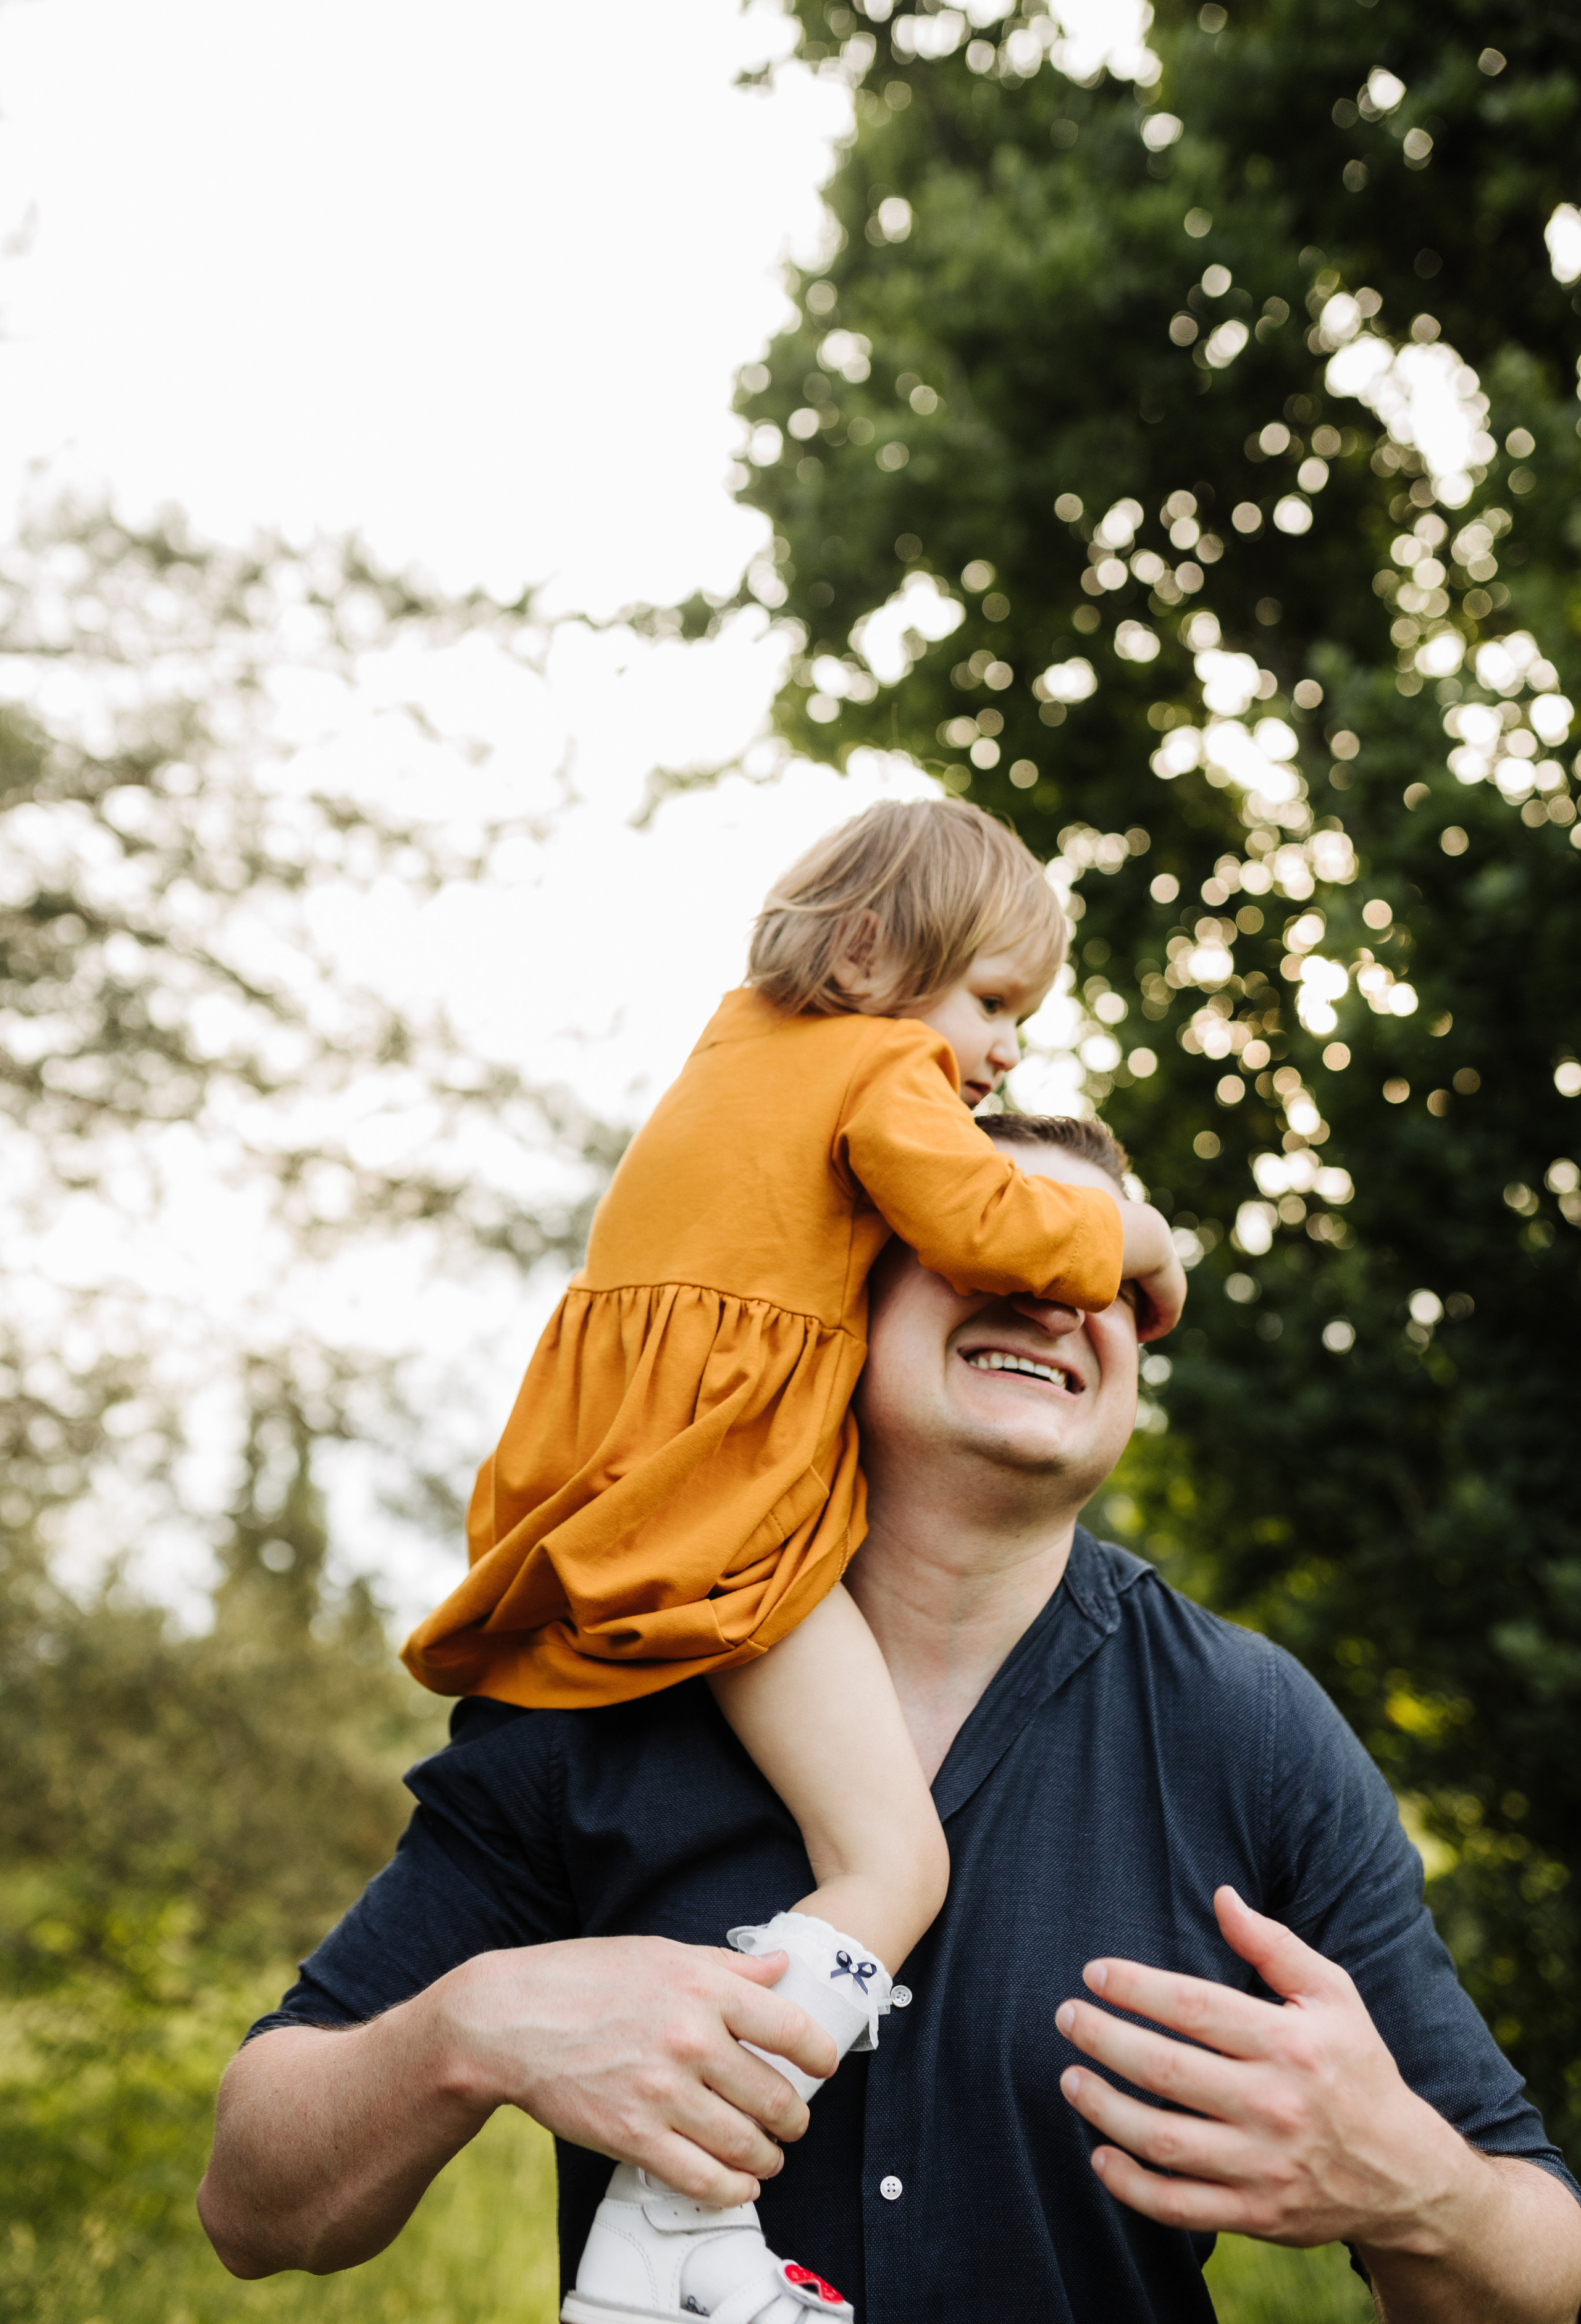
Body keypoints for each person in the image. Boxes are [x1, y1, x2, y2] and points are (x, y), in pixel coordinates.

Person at [199, 1114, 1581, 2324]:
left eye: (1101, 1274)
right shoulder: (603, 1674)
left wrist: (1422, 2193)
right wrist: (473, 2025)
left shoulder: (1252, 1729)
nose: (1057, 1295)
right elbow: (254, 2207)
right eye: (1001, 1239)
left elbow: (1545, 2268)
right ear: (841, 1294)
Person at [394, 800, 1185, 2310]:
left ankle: (673, 2237)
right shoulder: (881, 1069)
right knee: (891, 1862)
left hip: (622, 1482)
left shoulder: (733, 1047)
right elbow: (992, 1224)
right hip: (724, 1509)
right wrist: (1139, 1244)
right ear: (876, 954)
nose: (1004, 1050)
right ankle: (673, 2229)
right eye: (993, 1002)